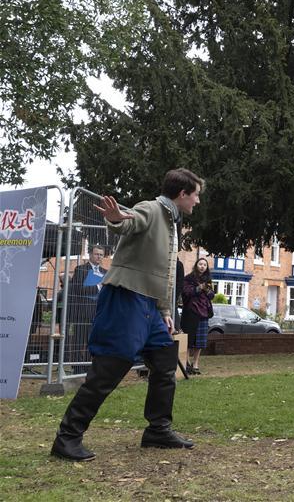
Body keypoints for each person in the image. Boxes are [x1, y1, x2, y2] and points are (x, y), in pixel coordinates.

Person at [51, 168, 203, 462]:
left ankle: (158, 430)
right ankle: (67, 437)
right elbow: (127, 224)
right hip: (125, 298)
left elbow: (162, 272)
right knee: (109, 369)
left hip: (149, 306)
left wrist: (164, 310)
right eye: (195, 195)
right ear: (182, 193)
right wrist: (115, 218)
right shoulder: (151, 208)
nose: (197, 201)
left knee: (164, 361)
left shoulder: (172, 220)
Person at [66, 245, 107, 367]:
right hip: (83, 312)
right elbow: (78, 289)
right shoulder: (81, 269)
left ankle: (89, 366)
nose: (99, 257)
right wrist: (98, 286)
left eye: (101, 255)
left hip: (98, 313)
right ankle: (77, 367)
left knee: (93, 341)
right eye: (96, 254)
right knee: (79, 341)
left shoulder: (106, 272)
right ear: (90, 254)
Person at [181, 257, 214, 375]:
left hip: (204, 313)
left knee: (200, 341)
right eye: (200, 264)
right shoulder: (188, 278)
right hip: (191, 312)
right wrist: (199, 288)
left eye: (205, 265)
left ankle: (195, 364)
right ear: (196, 265)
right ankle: (187, 363)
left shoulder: (208, 279)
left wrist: (207, 290)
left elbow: (211, 296)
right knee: (189, 340)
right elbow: (186, 292)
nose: (202, 266)